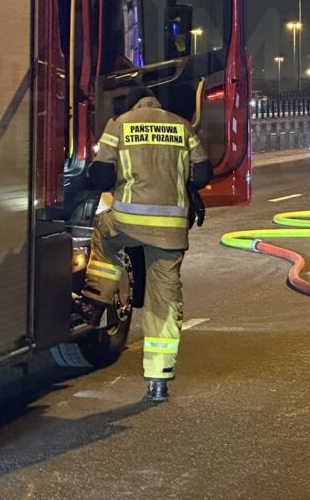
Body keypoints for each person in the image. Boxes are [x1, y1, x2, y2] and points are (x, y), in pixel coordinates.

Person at [79, 85, 212, 402]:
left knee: (104, 236)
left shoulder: (120, 124)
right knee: (164, 301)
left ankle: (94, 302)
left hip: (128, 223)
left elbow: (99, 176)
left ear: (131, 103)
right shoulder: (181, 126)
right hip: (170, 233)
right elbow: (204, 173)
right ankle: (158, 381)